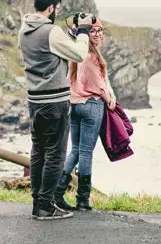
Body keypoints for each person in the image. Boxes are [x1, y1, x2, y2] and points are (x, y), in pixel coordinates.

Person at [18, 0, 95, 221]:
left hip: (35, 100)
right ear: (51, 8)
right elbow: (80, 54)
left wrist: (69, 33)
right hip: (55, 101)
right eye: (57, 9)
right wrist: (82, 32)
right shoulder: (52, 31)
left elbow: (51, 51)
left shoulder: (23, 30)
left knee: (38, 151)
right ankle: (46, 207)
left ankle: (37, 203)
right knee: (55, 154)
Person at [54, 18, 115, 212]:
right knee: (86, 152)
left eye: (100, 31)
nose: (98, 34)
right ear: (86, 34)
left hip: (74, 104)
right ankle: (83, 200)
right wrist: (109, 99)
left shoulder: (77, 52)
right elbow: (97, 83)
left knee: (76, 150)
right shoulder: (91, 56)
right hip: (91, 105)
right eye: (93, 31)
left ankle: (57, 191)